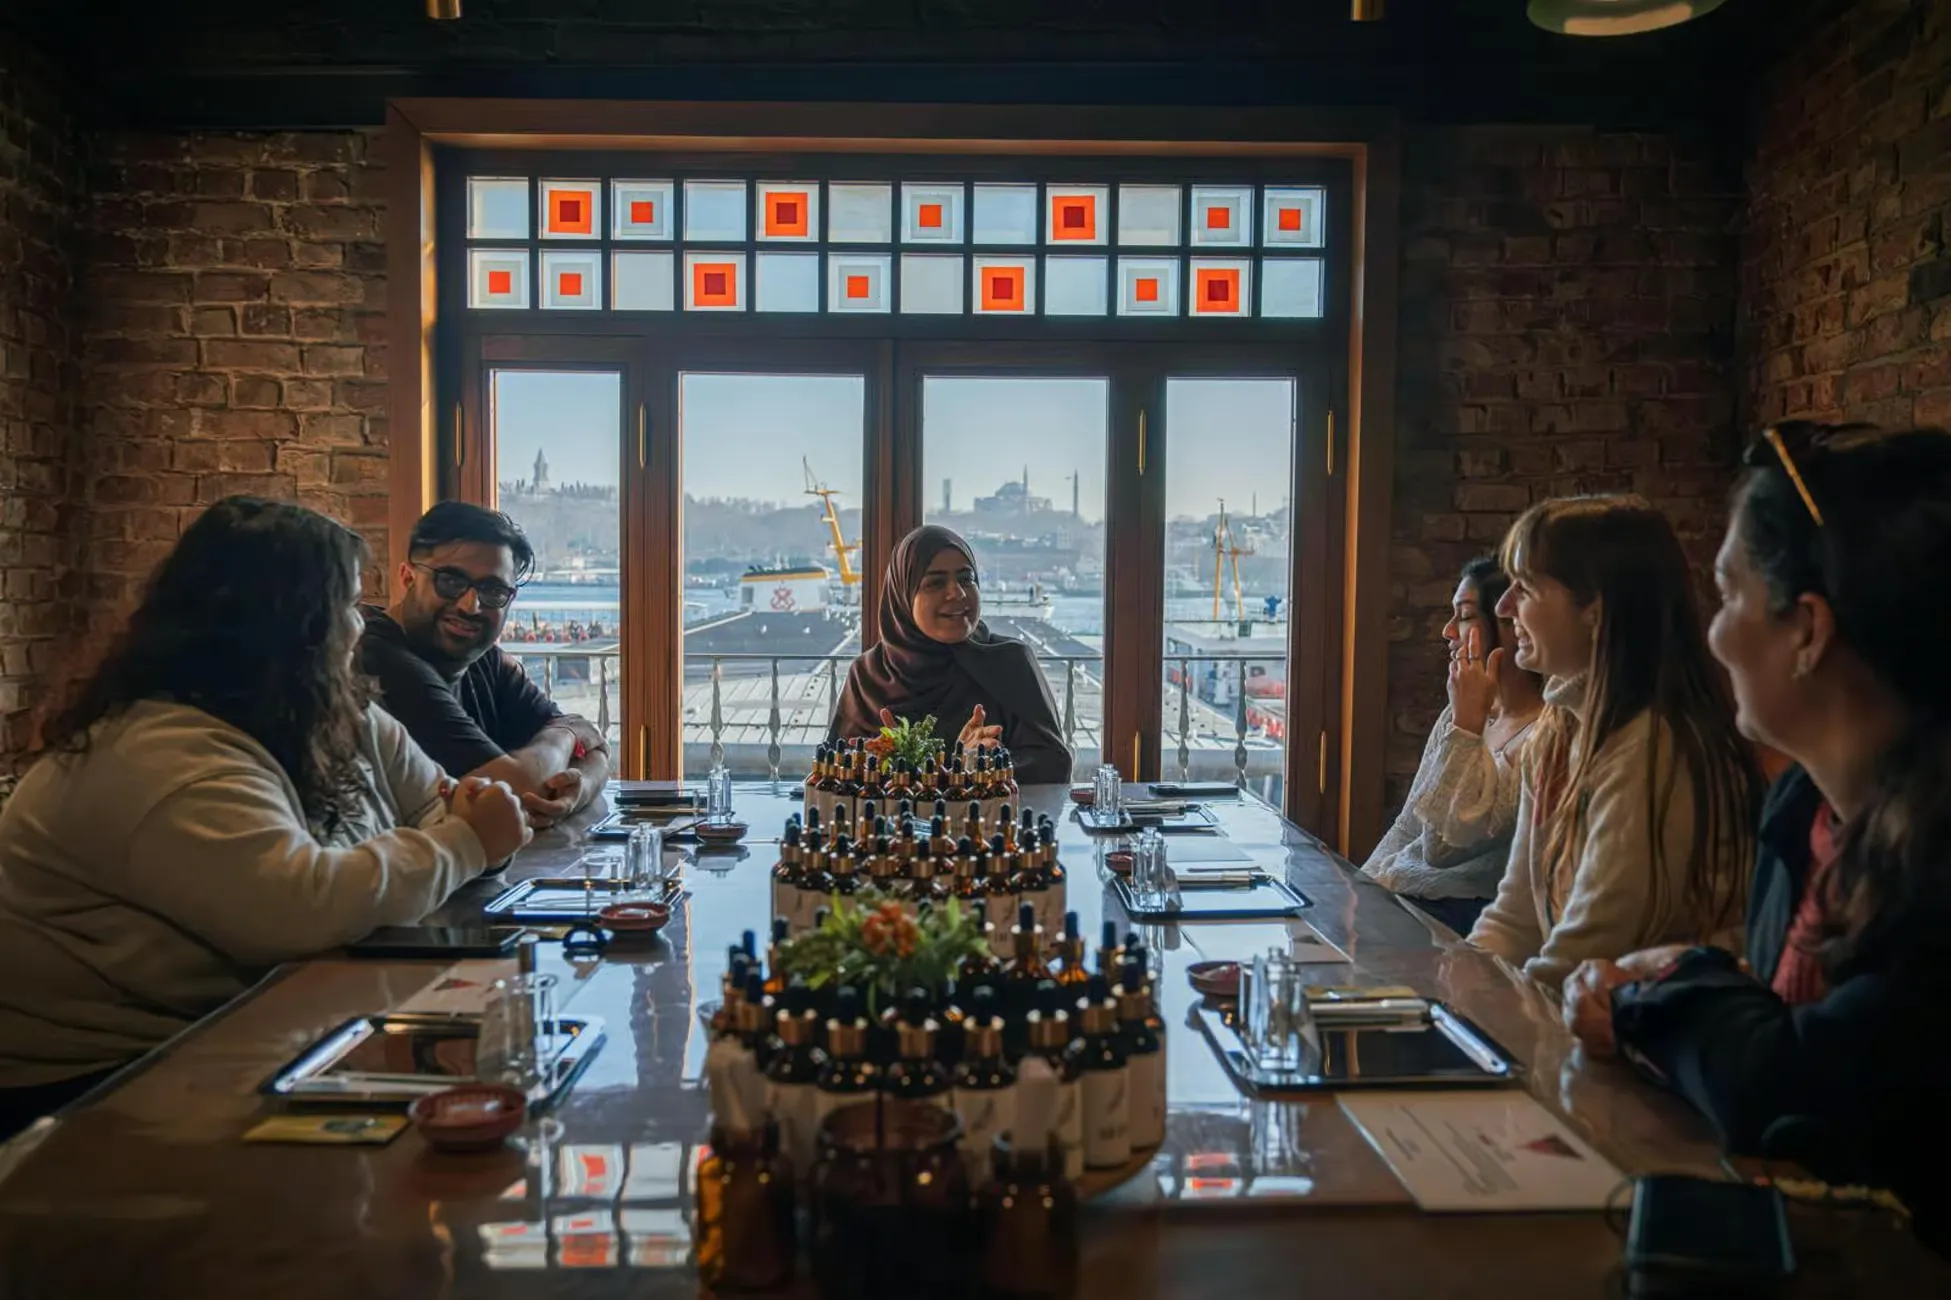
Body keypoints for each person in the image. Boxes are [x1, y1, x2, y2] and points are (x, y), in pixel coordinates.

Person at [0, 498, 530, 1139]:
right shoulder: (161, 754)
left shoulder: (333, 714)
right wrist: (467, 844)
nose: (359, 628)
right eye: (343, 609)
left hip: (253, 1032)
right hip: (96, 1091)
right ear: (284, 627)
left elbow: (443, 806)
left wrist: (460, 835)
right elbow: (307, 909)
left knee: (513, 1069)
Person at [1564, 424, 1951, 1247]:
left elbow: (1803, 1088)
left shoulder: (1933, 862)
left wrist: (1653, 991)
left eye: (1729, 595)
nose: (1713, 634)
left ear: (1806, 631)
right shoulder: (1801, 819)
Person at [1467, 494, 1761, 991]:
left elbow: (1586, 953)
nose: (1503, 607)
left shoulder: (1652, 746)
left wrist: (1490, 1016)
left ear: (1595, 611)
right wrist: (1457, 991)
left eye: (1527, 587)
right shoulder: (1558, 732)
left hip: (1649, 1049)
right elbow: (1515, 919)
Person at [361, 502, 611, 828]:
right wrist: (566, 734)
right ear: (407, 577)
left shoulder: (484, 660)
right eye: (451, 581)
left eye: (492, 590)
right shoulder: (375, 654)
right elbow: (512, 791)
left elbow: (598, 750)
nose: (471, 605)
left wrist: (579, 789)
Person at [1361, 556, 1545, 934]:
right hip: (1398, 897)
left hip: (1456, 919)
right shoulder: (1457, 713)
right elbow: (1408, 826)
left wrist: (1467, 726)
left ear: (1511, 625)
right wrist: (1355, 891)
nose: (1447, 631)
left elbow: (1440, 850)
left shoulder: (1543, 733)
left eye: (1463, 616)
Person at [829, 524, 1072, 784]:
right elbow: (834, 771)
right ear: (903, 596)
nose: (957, 592)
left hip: (988, 823)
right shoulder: (868, 676)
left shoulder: (1010, 663)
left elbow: (1053, 763)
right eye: (935, 583)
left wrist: (976, 764)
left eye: (966, 579)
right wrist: (877, 762)